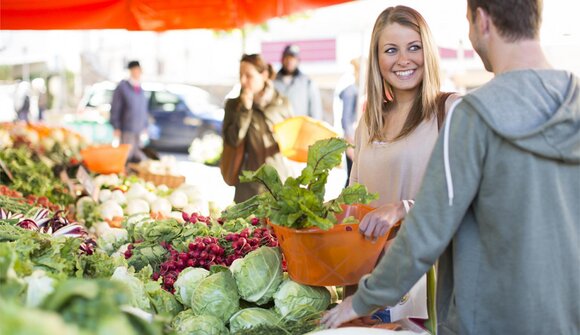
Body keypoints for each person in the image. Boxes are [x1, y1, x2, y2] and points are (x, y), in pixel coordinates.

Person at [322, 0, 580, 334]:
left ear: (482, 20)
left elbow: (429, 227)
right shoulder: (573, 105)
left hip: (482, 317)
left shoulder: (469, 115)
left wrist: (361, 302)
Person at [342, 6, 459, 327]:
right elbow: (352, 201)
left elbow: (467, 199)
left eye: (414, 47)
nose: (403, 59)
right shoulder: (369, 121)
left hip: (426, 282)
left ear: (429, 51)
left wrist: (403, 208)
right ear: (377, 59)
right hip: (369, 281)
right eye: (391, 50)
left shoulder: (451, 110)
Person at [223, 54, 293, 203]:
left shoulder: (282, 103)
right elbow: (233, 140)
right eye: (240, 75)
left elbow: (292, 139)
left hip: (278, 181)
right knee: (247, 225)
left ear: (264, 75)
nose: (243, 81)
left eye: (248, 76)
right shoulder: (233, 105)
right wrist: (245, 110)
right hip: (248, 185)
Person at [110, 60, 148, 163]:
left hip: (138, 129)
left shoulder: (140, 88)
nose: (137, 72)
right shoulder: (123, 87)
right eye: (134, 70)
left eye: (138, 70)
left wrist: (145, 125)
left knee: (137, 157)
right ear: (130, 71)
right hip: (127, 129)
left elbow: (143, 109)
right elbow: (115, 107)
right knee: (126, 156)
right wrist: (116, 126)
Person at [273, 44, 323, 120]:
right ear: (282, 59)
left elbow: (315, 111)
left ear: (298, 61)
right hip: (278, 128)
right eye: (287, 58)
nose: (289, 61)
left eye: (293, 58)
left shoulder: (307, 83)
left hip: (301, 129)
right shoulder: (272, 82)